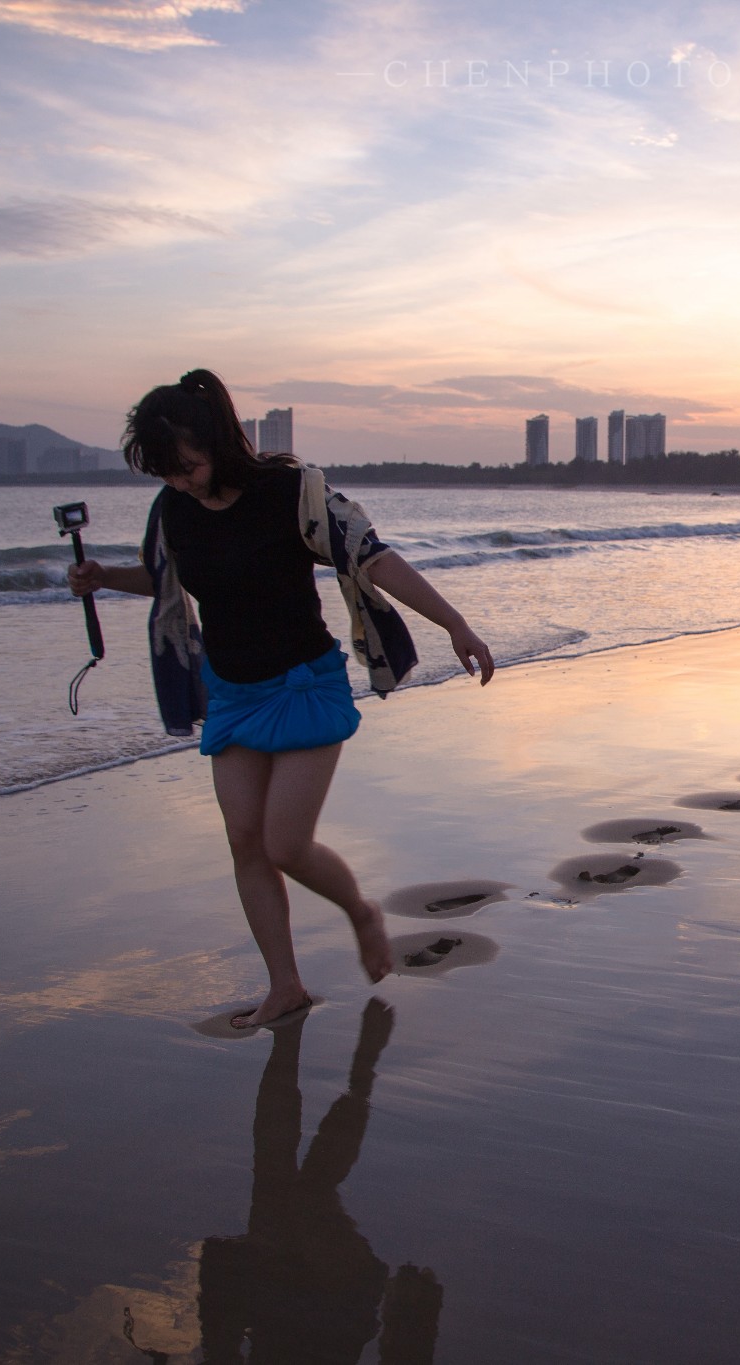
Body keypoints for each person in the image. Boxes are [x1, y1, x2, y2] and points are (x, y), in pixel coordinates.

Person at [69, 370, 494, 1029]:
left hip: (303, 685)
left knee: (285, 843)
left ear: (214, 439)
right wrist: (102, 577)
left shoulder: (293, 492)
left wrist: (455, 624)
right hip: (232, 691)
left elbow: (373, 558)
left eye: (185, 466)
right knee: (245, 842)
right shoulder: (173, 512)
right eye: (164, 472)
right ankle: (285, 985)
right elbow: (164, 581)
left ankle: (362, 912)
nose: (177, 481)